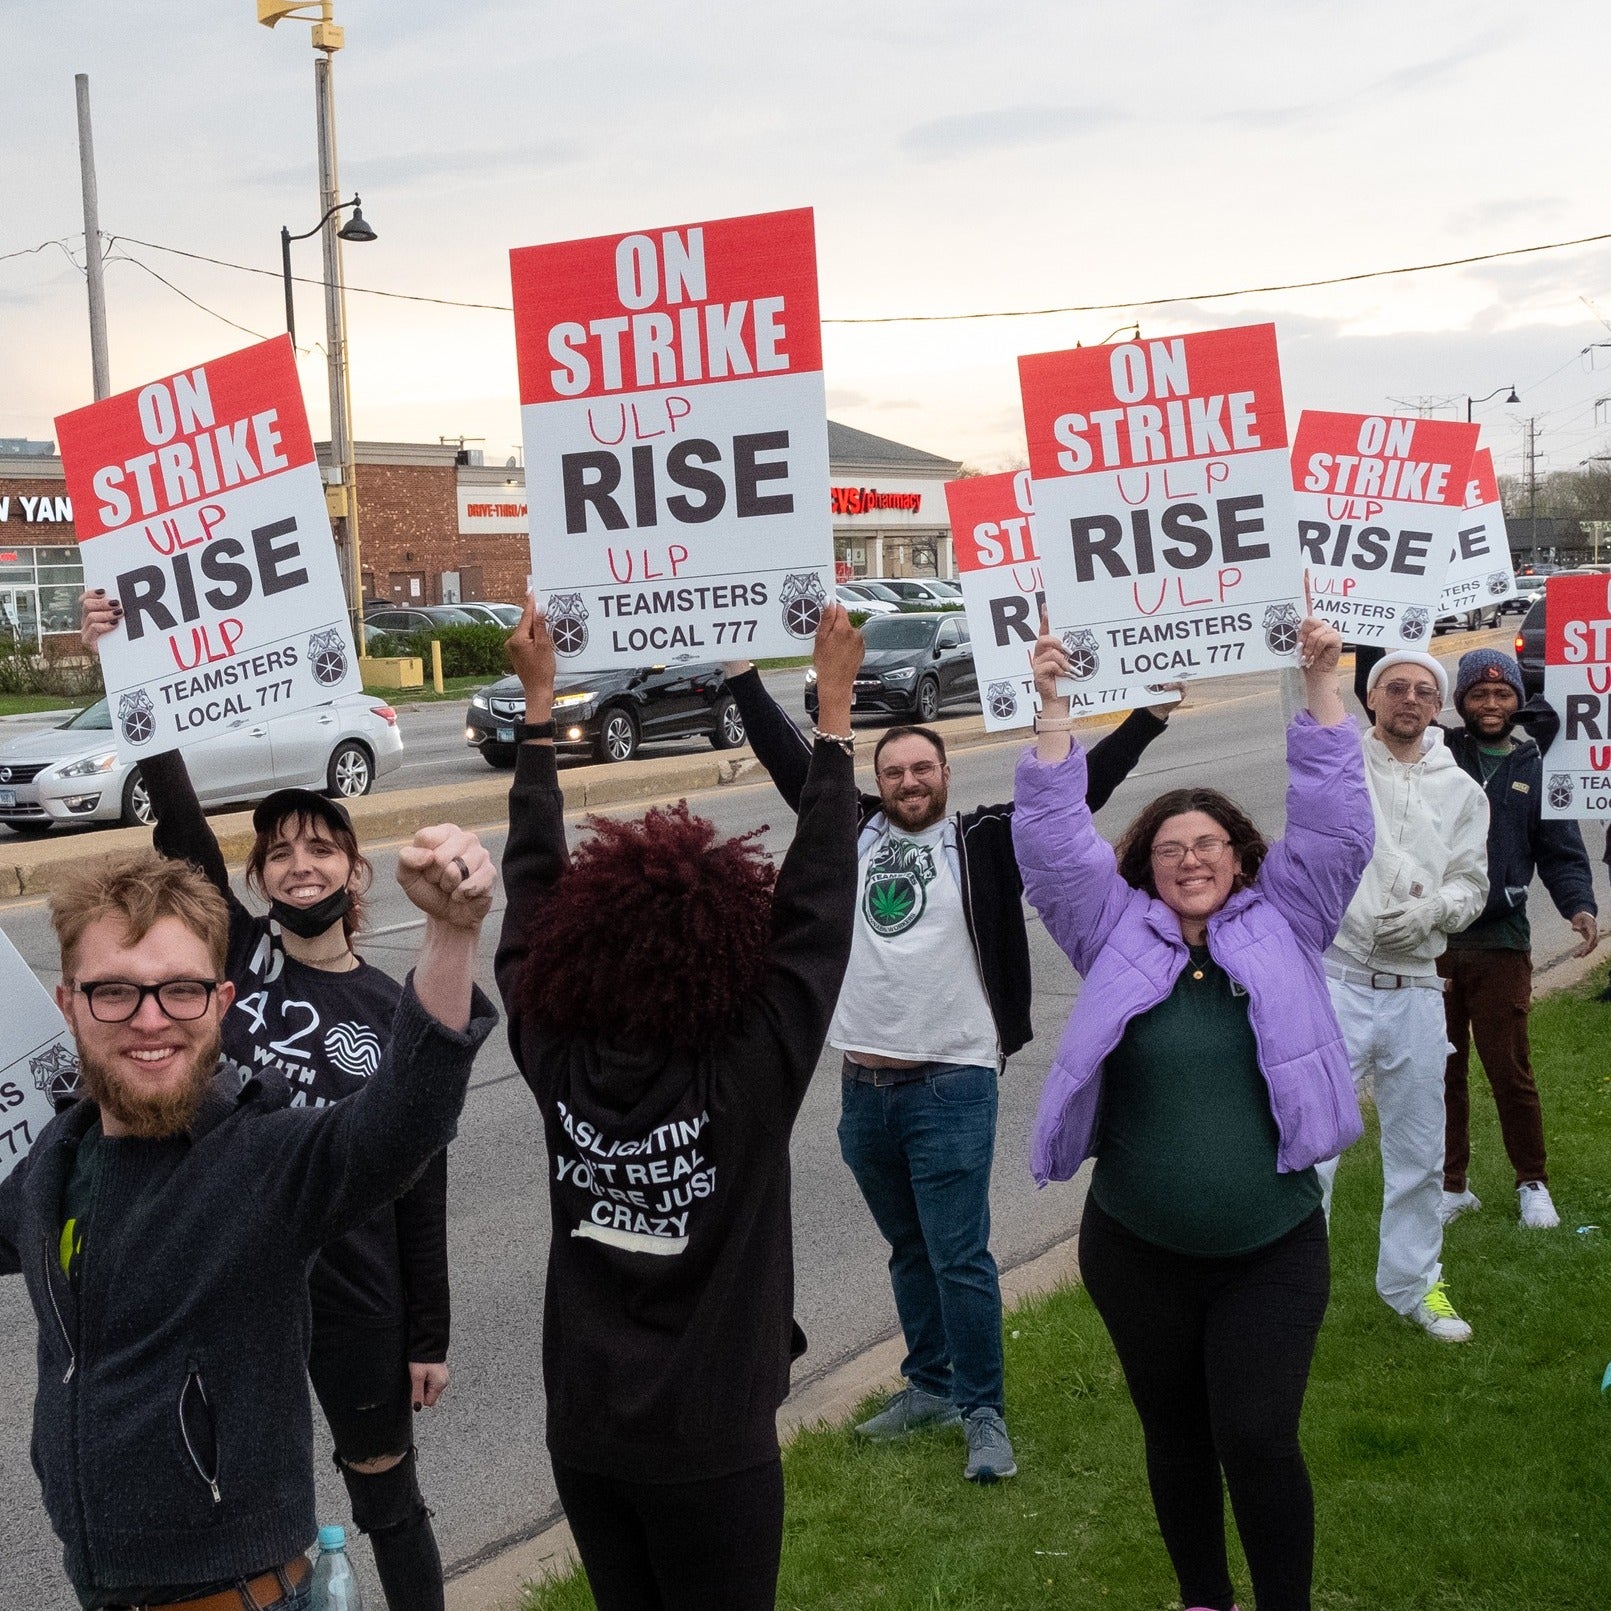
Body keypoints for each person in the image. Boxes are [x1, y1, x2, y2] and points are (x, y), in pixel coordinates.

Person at [0, 832, 495, 1611]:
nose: (150, 1019)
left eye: (181, 989)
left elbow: (402, 1120)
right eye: (114, 991)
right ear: (68, 1003)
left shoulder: (263, 1162)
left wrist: (451, 932)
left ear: (221, 1004)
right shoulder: (50, 1167)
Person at [81, 588, 455, 1610]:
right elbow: (177, 812)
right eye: (280, 851)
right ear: (256, 875)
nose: (300, 864)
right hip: (234, 1271)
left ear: (354, 869)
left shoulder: (392, 1008)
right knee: (232, 1496)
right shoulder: (233, 956)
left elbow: (422, 1178)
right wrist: (129, 663)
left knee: (387, 1495)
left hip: (356, 1285)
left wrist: (430, 1332)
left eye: (320, 847)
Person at [721, 652, 1173, 1484]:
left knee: (958, 1252)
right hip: (863, 1083)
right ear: (877, 779)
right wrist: (745, 676)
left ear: (944, 771)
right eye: (892, 770)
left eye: (921, 766)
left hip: (952, 1081)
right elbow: (793, 763)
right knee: (906, 1247)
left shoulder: (986, 838)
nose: (907, 780)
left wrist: (1145, 720)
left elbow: (1079, 793)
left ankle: (982, 1411)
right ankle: (929, 1383)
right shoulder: (846, 829)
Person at [496, 599, 862, 1611]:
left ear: (582, 945)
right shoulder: (752, 1066)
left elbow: (526, 899)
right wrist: (833, 718)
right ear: (727, 952)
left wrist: (538, 712)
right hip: (713, 1444)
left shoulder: (553, 1051)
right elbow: (820, 906)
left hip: (586, 1435)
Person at [1015, 612, 1371, 1611]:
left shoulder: (1290, 921)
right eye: (1169, 847)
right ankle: (1205, 1598)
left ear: (1241, 855)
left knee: (1255, 1434)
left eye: (1208, 842)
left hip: (1272, 1242)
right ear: (1146, 865)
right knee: (1173, 1435)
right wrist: (1052, 707)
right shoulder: (1113, 932)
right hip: (1137, 1249)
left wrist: (1322, 687)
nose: (1189, 858)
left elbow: (1340, 825)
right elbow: (1048, 846)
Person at [1314, 649, 1489, 1341]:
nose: (1408, 699)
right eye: (1395, 688)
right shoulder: (1340, 766)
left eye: (1423, 690)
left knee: (1418, 1148)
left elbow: (1472, 885)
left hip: (1416, 985)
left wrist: (1433, 911)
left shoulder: (1462, 793)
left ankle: (1414, 1284)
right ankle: (1293, 1285)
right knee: (1312, 1144)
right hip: (1337, 980)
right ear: (1370, 698)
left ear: (1437, 706)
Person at [1435, 648, 1599, 1230]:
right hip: (1434, 942)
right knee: (1442, 1070)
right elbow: (1380, 704)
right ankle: (1451, 1185)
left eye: (1502, 694)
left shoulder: (1538, 766)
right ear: (1461, 701)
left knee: (1510, 1069)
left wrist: (1579, 906)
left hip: (1503, 940)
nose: (1491, 704)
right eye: (1479, 694)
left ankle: (1533, 1183)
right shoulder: (1438, 754)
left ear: (1517, 702)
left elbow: (1561, 851)